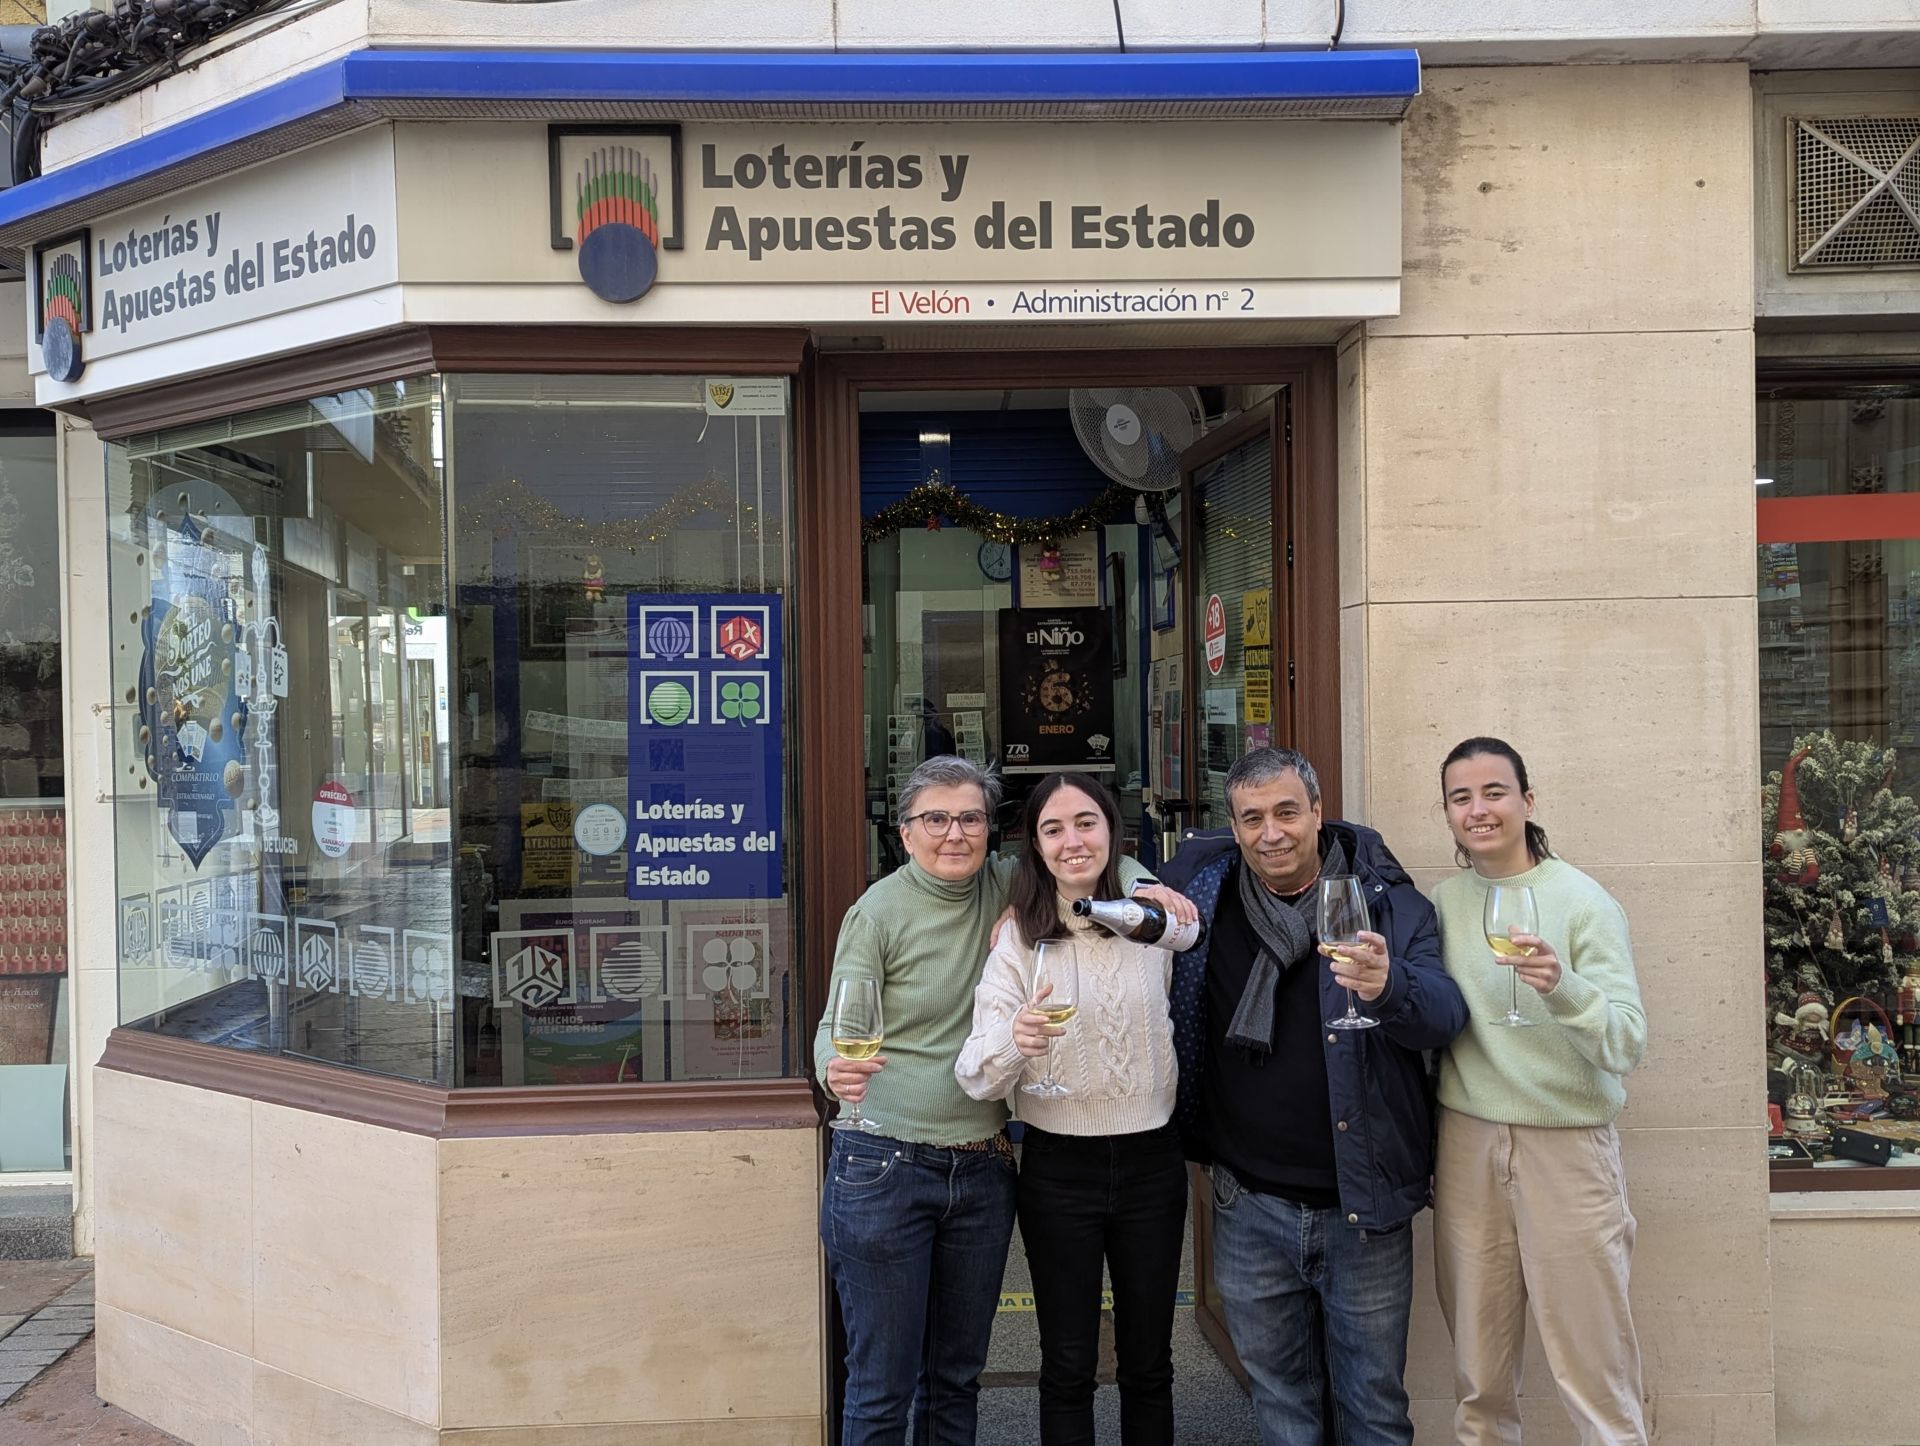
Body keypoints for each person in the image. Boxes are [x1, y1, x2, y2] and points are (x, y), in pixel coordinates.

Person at [815, 755, 1195, 1445]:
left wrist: (1148, 883)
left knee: (957, 1379)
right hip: (885, 1160)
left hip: (984, 1164)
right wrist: (832, 1070)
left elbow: (1090, 859)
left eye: (970, 818)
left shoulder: (1010, 886)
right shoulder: (877, 912)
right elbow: (837, 1024)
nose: (954, 833)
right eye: (935, 819)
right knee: (881, 1387)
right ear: (905, 832)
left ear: (994, 834)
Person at [1157, 746, 1466, 1446]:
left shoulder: (1388, 904)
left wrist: (1389, 988)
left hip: (1363, 1208)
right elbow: (1095, 875)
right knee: (1282, 1406)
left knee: (1376, 1411)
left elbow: (1446, 1016)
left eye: (1288, 812)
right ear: (1232, 828)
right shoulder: (1204, 894)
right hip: (1248, 1206)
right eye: (1253, 818)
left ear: (1319, 813)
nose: (1272, 833)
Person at [956, 772, 1186, 1446]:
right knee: (1067, 1365)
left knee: (1149, 1364)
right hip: (1059, 1168)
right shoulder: (1020, 939)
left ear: (1113, 831)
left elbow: (1206, 900)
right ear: (1035, 847)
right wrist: (1014, 1041)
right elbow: (975, 1072)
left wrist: (1146, 884)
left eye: (1087, 822)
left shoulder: (1156, 922)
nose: (1072, 840)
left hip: (1153, 1161)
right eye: (1053, 829)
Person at [1432, 736, 1649, 1446]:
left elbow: (1626, 1042)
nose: (1479, 810)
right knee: (1481, 1380)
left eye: (1494, 792)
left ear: (1528, 799)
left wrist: (1564, 987)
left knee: (1596, 1376)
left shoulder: (1583, 902)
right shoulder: (1442, 904)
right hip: (1466, 1146)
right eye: (1461, 797)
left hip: (1569, 1149)